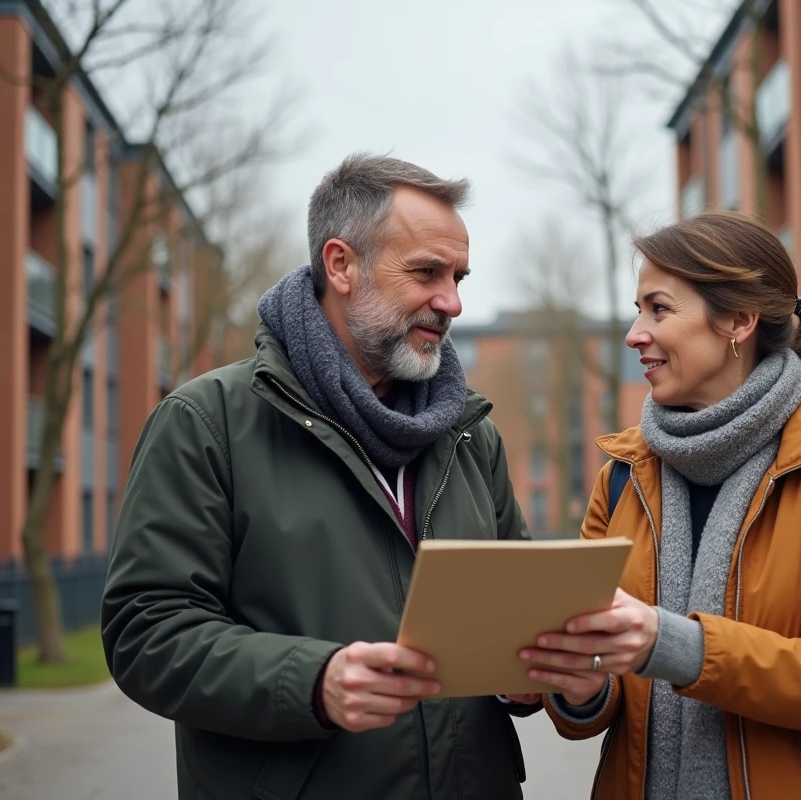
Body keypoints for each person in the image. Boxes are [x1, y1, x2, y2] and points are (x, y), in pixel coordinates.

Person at [101, 154, 541, 800]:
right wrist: (313, 680)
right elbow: (146, 630)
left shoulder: (475, 437)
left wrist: (530, 671)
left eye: (458, 276)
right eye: (426, 272)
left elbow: (518, 614)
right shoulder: (206, 423)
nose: (451, 301)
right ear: (340, 265)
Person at [519, 211, 801, 799]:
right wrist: (580, 687)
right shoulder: (620, 479)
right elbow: (600, 708)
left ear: (738, 320)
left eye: (659, 308)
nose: (634, 334)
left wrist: (671, 644)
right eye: (637, 310)